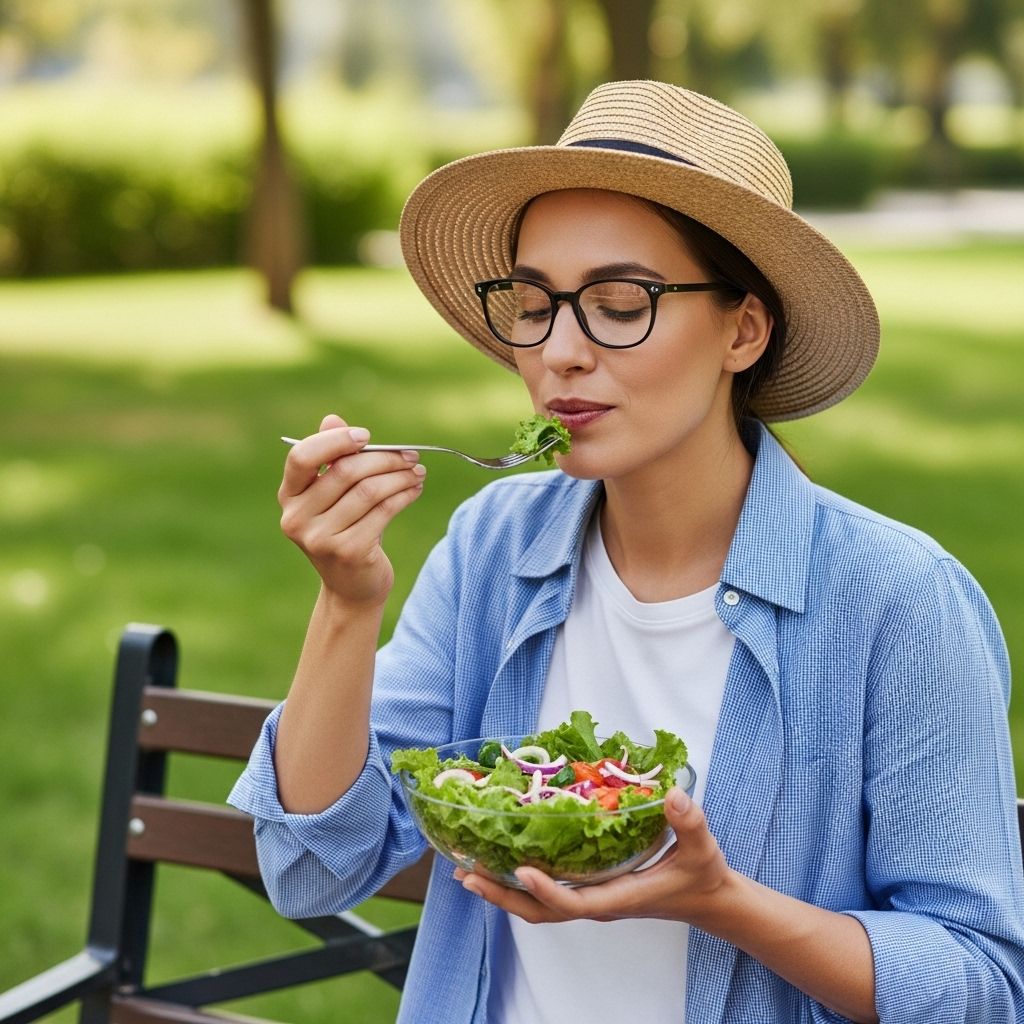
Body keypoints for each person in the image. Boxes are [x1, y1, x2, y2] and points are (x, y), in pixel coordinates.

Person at [228, 81, 1024, 1023]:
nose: (559, 352)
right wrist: (347, 603)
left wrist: (720, 902)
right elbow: (311, 868)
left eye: (618, 303)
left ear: (743, 330)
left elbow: (981, 983)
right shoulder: (493, 547)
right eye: (533, 303)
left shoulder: (897, 600)